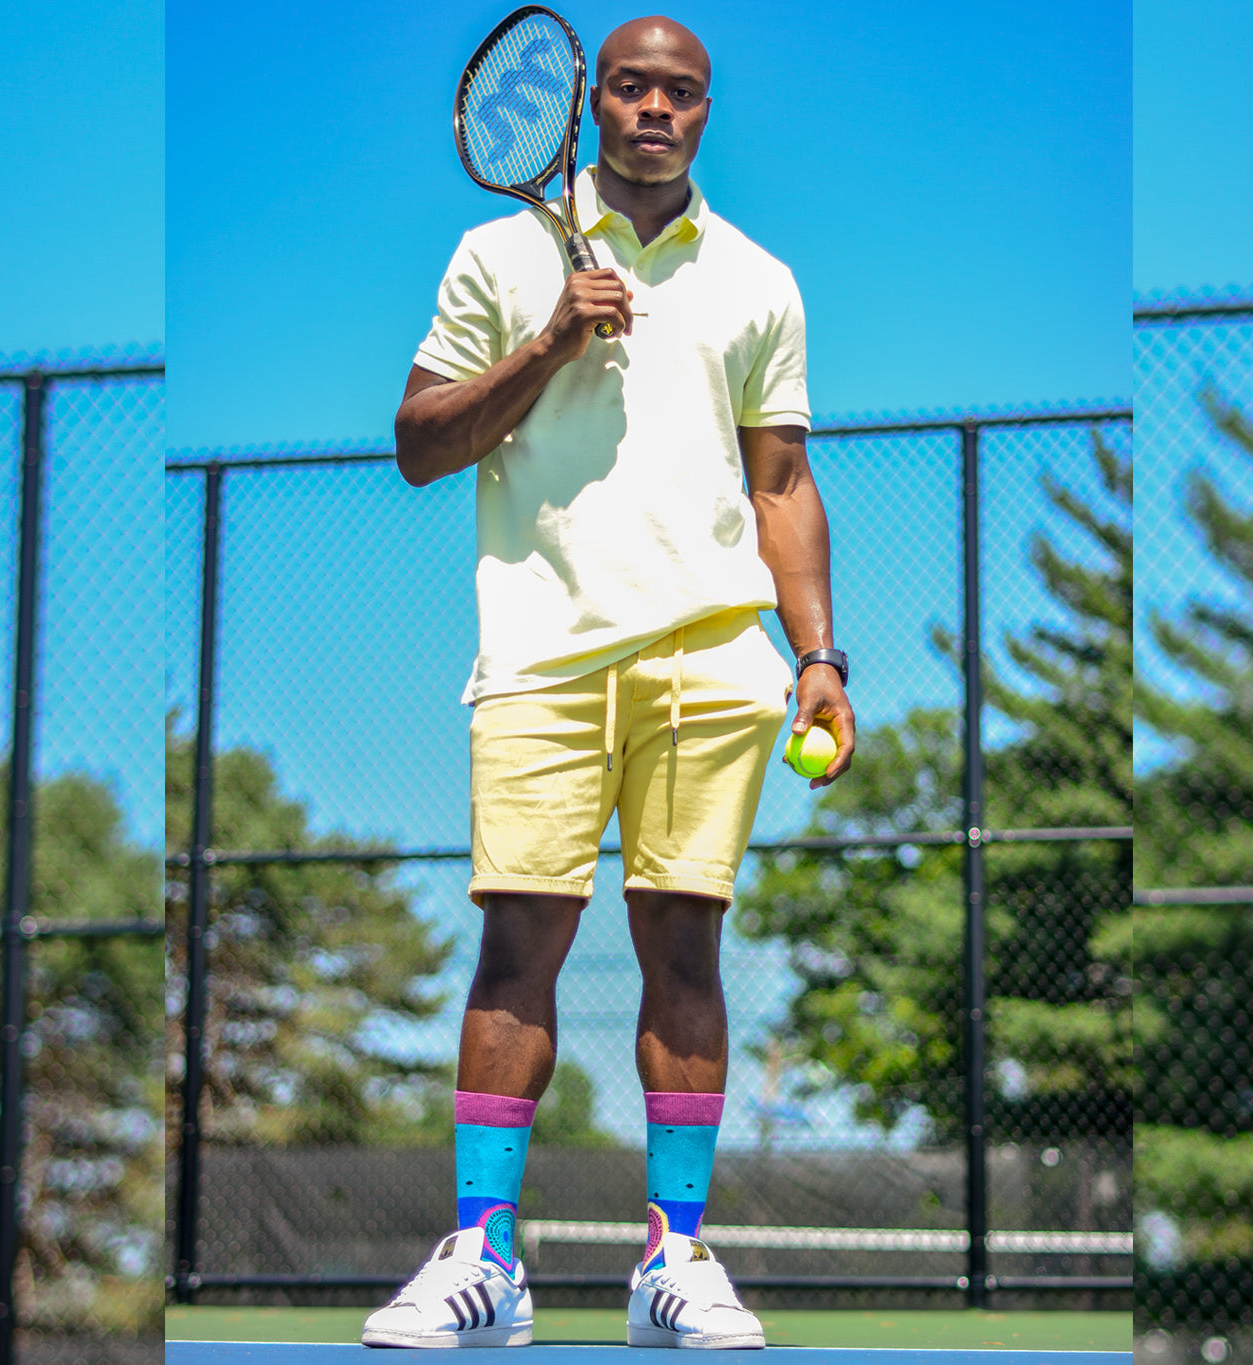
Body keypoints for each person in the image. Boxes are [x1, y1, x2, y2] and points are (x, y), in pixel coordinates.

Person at [363, 14, 855, 1351]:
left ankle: (672, 1259)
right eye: (630, 86)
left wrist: (817, 656)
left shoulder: (760, 279)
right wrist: (545, 347)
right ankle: (481, 1258)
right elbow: (415, 443)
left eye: (679, 92)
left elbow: (781, 480)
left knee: (683, 945)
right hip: (536, 651)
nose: (654, 108)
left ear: (704, 112)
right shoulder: (496, 255)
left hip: (710, 652)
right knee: (518, 939)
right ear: (586, 104)